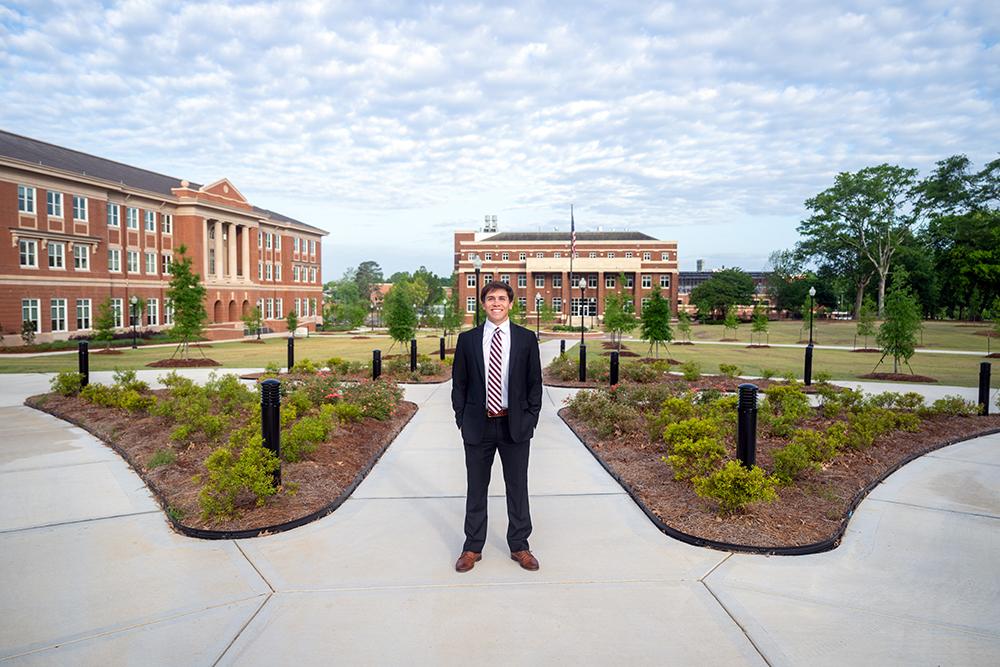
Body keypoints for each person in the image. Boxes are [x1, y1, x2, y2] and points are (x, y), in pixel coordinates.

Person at [451, 281, 543, 572]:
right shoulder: (468, 340)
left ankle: (520, 545)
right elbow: (460, 384)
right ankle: (472, 547)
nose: (496, 303)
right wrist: (461, 418)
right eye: (490, 299)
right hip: (478, 425)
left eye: (502, 298)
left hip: (514, 426)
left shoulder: (526, 339)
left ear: (511, 303)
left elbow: (534, 385)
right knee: (476, 488)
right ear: (483, 304)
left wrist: (530, 418)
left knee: (518, 487)